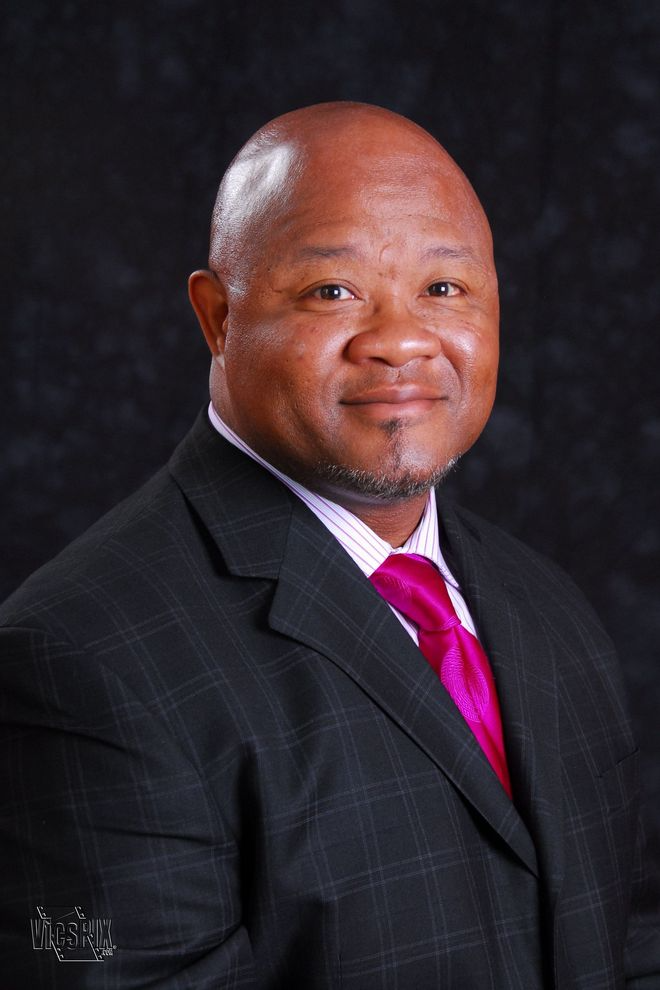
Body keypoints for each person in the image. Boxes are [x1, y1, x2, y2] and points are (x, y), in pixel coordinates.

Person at [1, 101, 658, 989]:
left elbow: (627, 934)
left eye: (444, 288)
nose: (400, 342)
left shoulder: (544, 607)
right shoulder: (79, 660)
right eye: (332, 292)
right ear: (218, 318)